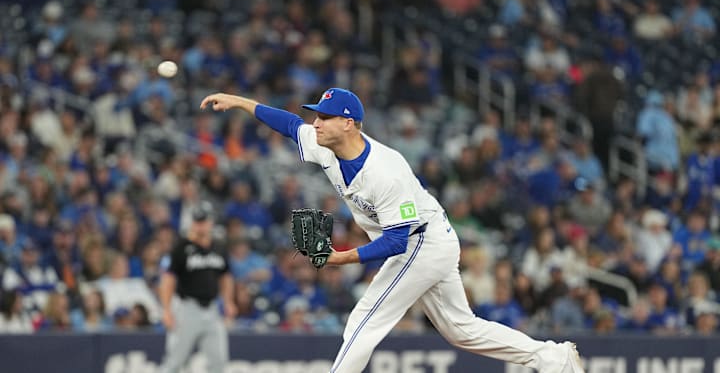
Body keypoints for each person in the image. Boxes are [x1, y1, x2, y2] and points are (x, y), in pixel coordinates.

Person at [200, 88, 585, 373]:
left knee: (364, 317)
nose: (315, 122)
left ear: (347, 123)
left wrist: (341, 258)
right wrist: (239, 102)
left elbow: (398, 240)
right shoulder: (324, 145)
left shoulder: (386, 170)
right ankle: (554, 358)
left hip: (423, 241)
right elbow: (288, 124)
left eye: (324, 116)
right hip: (424, 241)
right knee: (460, 330)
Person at [158, 201, 235, 373]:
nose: (200, 226)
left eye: (203, 221)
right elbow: (168, 279)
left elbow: (226, 276)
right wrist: (166, 309)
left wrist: (228, 301)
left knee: (219, 362)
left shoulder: (219, 247)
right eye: (197, 221)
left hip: (212, 310)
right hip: (187, 309)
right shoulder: (182, 247)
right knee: (174, 361)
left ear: (211, 222)